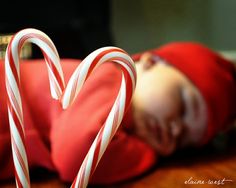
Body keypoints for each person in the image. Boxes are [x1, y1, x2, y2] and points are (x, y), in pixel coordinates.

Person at [0, 42, 235, 185]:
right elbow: (75, 157)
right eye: (183, 107)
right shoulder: (107, 78)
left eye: (184, 140)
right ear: (151, 61)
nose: (175, 130)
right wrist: (149, 155)